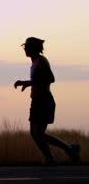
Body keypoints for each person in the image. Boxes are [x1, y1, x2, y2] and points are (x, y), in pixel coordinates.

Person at [14, 37, 80, 165]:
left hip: (44, 101)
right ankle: (66, 150)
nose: (25, 49)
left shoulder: (41, 61)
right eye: (24, 47)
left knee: (38, 133)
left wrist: (28, 82)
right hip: (36, 101)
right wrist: (28, 83)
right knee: (35, 133)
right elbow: (39, 80)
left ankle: (55, 156)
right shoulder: (34, 62)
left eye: (27, 47)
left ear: (34, 48)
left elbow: (51, 78)